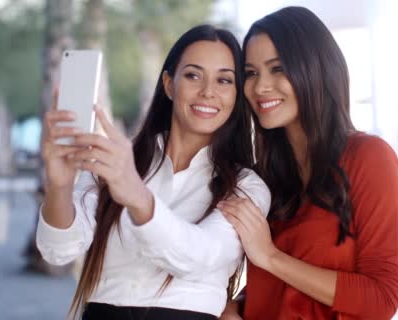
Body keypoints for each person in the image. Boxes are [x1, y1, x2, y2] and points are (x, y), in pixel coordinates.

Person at [37, 24, 271, 320]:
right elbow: (57, 251)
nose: (208, 92)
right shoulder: (118, 161)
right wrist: (58, 186)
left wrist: (138, 197)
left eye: (224, 80)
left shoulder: (246, 186)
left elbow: (197, 257)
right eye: (193, 75)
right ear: (169, 84)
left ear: (237, 95)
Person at [218, 7, 398, 320]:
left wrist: (270, 256)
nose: (260, 86)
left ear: (315, 68)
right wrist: (236, 306)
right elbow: (277, 286)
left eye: (277, 69)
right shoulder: (264, 175)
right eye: (251, 73)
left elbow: (382, 297)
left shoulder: (370, 157)